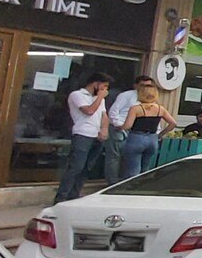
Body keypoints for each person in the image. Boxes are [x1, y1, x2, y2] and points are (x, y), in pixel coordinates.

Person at [57, 72, 112, 203]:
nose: (105, 90)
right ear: (95, 84)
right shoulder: (77, 95)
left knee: (87, 167)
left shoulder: (100, 99)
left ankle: (74, 195)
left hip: (96, 135)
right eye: (104, 86)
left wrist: (104, 129)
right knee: (76, 166)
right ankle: (62, 196)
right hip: (82, 134)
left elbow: (104, 115)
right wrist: (99, 97)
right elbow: (89, 111)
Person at [103, 75, 154, 184]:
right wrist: (118, 125)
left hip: (137, 131)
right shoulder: (126, 95)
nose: (145, 88)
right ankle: (112, 183)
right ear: (135, 85)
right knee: (114, 156)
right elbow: (113, 111)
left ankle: (125, 182)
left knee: (130, 157)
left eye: (148, 85)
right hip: (120, 128)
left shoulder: (150, 97)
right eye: (142, 85)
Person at [120, 84, 176, 178]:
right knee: (145, 169)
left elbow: (127, 126)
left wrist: (120, 127)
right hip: (152, 139)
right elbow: (173, 123)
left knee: (133, 170)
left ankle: (133, 186)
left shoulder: (135, 109)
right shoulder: (160, 109)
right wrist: (160, 134)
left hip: (136, 138)